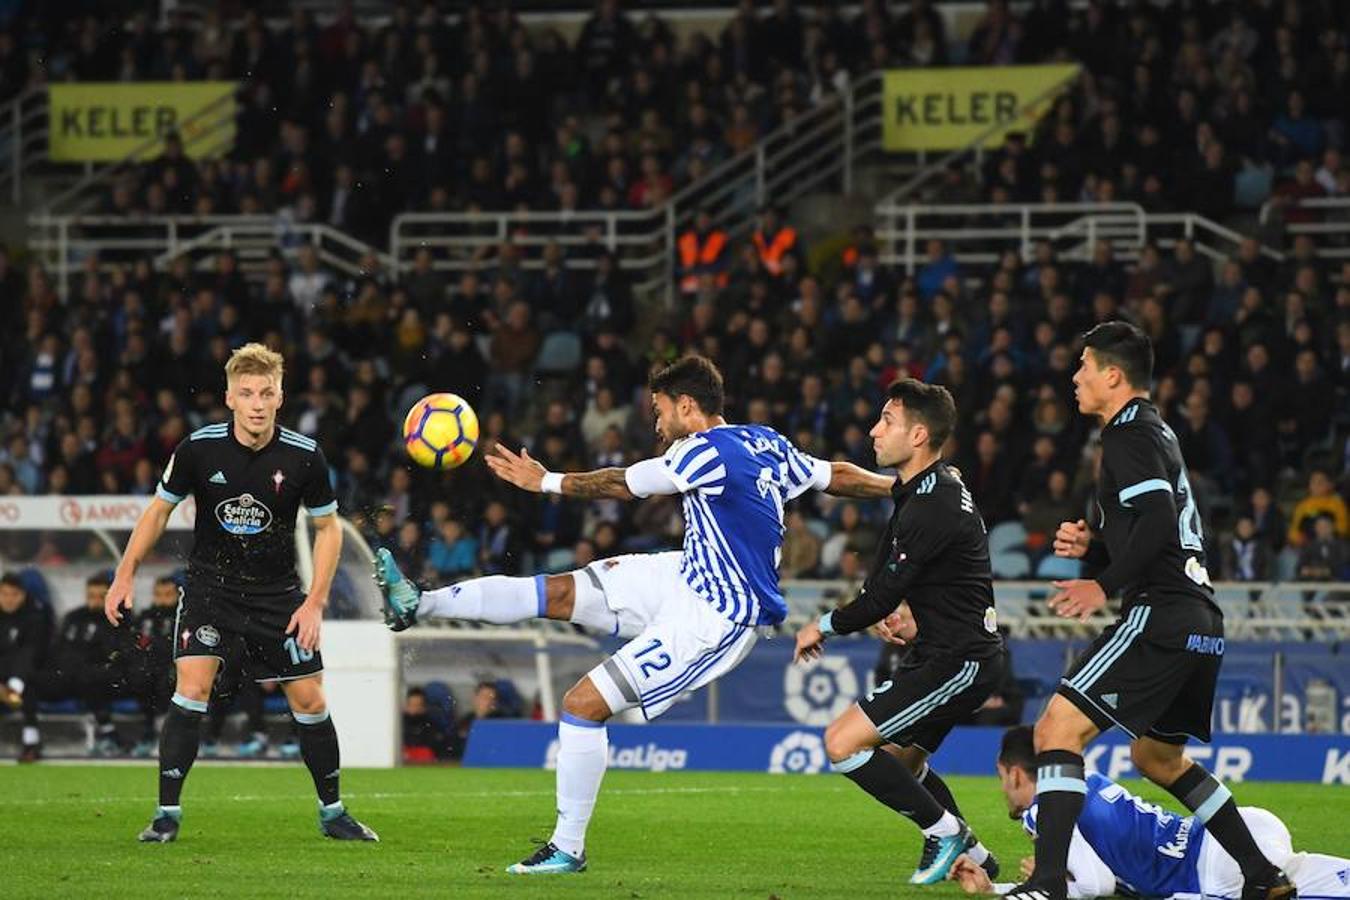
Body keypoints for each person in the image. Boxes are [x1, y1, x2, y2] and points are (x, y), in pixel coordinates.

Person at [374, 354, 895, 874]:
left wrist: (546, 481)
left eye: (659, 410)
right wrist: (899, 486)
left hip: (716, 615)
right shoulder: (765, 441)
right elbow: (836, 475)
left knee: (582, 705)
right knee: (557, 592)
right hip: (686, 573)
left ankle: (567, 848)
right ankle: (421, 603)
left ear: (686, 405)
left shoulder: (701, 451)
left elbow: (622, 484)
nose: (657, 423)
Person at [1001, 323, 1292, 900]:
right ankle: (1261, 875)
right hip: (1200, 621)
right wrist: (1096, 546)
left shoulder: (1126, 435)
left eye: (1084, 366)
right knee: (1157, 757)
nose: (1075, 376)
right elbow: (1164, 530)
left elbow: (1158, 520)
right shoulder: (1156, 431)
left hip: (1160, 612)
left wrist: (1101, 584)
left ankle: (1050, 883)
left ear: (1113, 375)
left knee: (1056, 729)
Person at [104, 342, 376, 843]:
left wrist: (314, 602)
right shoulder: (197, 449)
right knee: (191, 689)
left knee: (311, 699)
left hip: (278, 595)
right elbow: (158, 511)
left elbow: (329, 530)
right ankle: (166, 816)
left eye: (266, 393)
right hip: (211, 589)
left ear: (280, 398)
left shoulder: (305, 456)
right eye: (246, 393)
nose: (256, 403)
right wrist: (125, 574)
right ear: (229, 397)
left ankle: (333, 813)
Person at [793, 379, 1004, 885]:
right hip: (946, 651)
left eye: (887, 420)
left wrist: (822, 625)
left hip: (958, 660)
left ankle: (945, 832)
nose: (874, 430)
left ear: (918, 435)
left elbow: (880, 595)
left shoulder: (933, 502)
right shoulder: (926, 490)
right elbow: (902, 577)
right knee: (899, 763)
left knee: (842, 743)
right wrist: (905, 608)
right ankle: (978, 858)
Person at [949, 726, 1350, 899]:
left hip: (1213, 871)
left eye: (1002, 778)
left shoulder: (1043, 811)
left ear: (1015, 773)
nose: (1003, 789)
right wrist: (995, 888)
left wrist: (1042, 881)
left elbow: (1096, 884)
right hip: (1237, 831)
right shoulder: (1090, 779)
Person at [32, 573, 123, 756]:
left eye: (101, 597)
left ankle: (108, 733)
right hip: (66, 676)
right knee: (30, 679)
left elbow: (113, 655)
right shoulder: (73, 617)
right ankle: (30, 737)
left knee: (90, 676)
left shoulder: (116, 620)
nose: (95, 601)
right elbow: (57, 649)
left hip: (96, 678)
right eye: (91, 596)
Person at [123, 576, 181, 755]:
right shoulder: (145, 618)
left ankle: (167, 735)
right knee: (140, 676)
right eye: (158, 594)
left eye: (168, 594)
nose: (162, 600)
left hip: (174, 668)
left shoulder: (182, 617)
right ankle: (149, 731)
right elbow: (134, 645)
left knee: (166, 682)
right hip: (148, 667)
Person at [0, 573, 50, 761]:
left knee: (29, 687)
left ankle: (31, 743)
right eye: (4, 594)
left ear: (22, 595)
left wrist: (15, 685)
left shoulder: (35, 617)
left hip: (26, 674)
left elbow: (32, 652)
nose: (8, 599)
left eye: (14, 594)